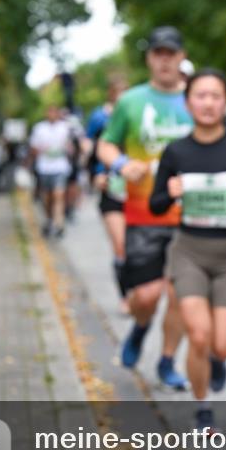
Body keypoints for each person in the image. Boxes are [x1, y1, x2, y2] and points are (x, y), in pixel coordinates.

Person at [150, 68, 226, 431]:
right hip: (189, 252)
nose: (207, 103)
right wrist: (169, 193)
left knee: (222, 346)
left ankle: (216, 360)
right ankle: (202, 405)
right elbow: (157, 204)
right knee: (199, 335)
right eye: (200, 96)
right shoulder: (176, 151)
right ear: (188, 103)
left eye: (215, 96)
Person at [97, 26, 193, 390]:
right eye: (158, 53)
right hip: (143, 213)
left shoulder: (197, 100)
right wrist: (121, 164)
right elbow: (105, 145)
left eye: (172, 52)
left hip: (190, 215)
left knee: (181, 294)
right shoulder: (131, 101)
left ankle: (168, 361)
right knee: (146, 295)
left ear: (182, 56)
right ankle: (140, 327)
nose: (165, 59)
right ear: (150, 58)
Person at [87, 75, 131, 313]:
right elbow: (90, 150)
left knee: (139, 248)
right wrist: (95, 175)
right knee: (121, 245)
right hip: (111, 189)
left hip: (138, 192)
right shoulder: (102, 120)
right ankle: (125, 296)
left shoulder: (140, 120)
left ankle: (140, 290)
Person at [28, 104, 75, 238]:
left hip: (60, 167)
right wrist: (43, 150)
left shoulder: (64, 128)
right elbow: (33, 148)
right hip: (44, 167)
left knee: (58, 195)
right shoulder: (39, 128)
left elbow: (70, 146)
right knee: (48, 197)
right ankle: (49, 220)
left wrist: (67, 149)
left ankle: (59, 223)